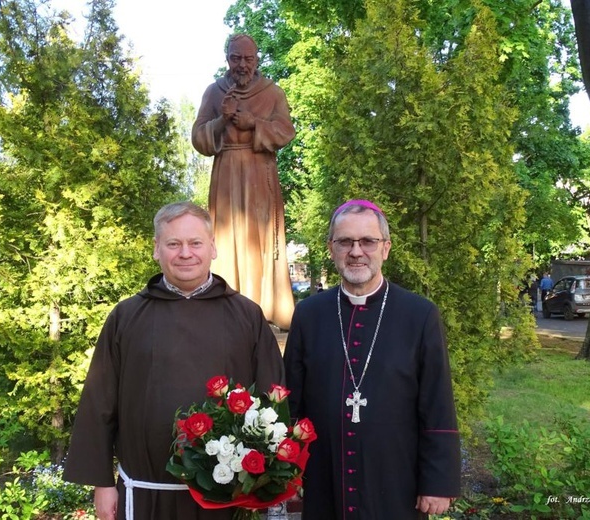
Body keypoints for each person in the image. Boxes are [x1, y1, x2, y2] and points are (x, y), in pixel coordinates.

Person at [63, 201, 284, 520]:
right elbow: (100, 402)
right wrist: (102, 483)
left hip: (228, 496)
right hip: (146, 495)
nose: (185, 253)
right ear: (156, 249)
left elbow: (271, 401)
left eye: (195, 243)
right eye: (173, 244)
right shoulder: (126, 317)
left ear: (212, 247)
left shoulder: (247, 316)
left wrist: (267, 479)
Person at [283, 200, 461, 519]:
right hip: (325, 475)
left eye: (367, 241)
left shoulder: (419, 315)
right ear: (331, 248)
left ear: (386, 248)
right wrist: (287, 470)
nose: (356, 251)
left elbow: (438, 403)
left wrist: (438, 481)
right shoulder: (309, 315)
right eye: (345, 242)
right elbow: (291, 400)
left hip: (397, 479)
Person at [192, 33, 296, 330]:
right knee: (226, 238)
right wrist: (222, 120)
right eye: (236, 58)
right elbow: (199, 138)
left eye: (248, 59)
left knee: (259, 238)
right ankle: (226, 306)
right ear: (227, 59)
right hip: (226, 175)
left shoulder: (273, 93)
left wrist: (255, 124)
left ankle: (264, 309)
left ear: (257, 59)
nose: (242, 65)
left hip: (260, 173)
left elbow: (286, 132)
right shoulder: (214, 92)